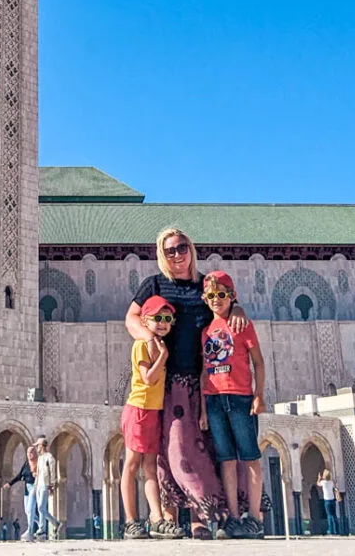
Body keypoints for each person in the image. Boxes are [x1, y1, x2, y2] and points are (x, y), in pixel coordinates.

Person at [126, 228, 248, 540]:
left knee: (202, 448)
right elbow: (132, 318)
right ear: (161, 254)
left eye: (182, 247)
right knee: (172, 449)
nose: (177, 254)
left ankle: (199, 519)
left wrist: (238, 309)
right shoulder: (154, 284)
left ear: (191, 249)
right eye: (170, 250)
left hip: (204, 379)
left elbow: (227, 304)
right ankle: (168, 518)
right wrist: (150, 337)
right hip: (167, 382)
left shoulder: (205, 285)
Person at [198, 271, 265, 540]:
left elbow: (258, 361)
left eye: (221, 294)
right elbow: (205, 371)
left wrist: (259, 394)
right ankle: (234, 518)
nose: (216, 300)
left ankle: (255, 518)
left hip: (240, 399)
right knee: (226, 459)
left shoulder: (243, 325)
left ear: (231, 296)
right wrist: (203, 408)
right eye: (211, 295)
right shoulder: (205, 332)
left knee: (249, 456)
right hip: (214, 400)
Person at [120, 294, 184, 540]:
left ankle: (156, 518)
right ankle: (130, 520)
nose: (163, 323)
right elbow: (148, 378)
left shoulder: (156, 344)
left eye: (167, 319)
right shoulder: (143, 344)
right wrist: (163, 357)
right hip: (138, 410)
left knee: (149, 466)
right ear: (144, 321)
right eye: (157, 318)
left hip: (153, 411)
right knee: (132, 464)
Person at [4, 445, 38, 542]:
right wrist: (10, 484)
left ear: (34, 453)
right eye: (27, 452)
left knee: (31, 510)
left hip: (34, 488)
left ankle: (30, 531)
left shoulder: (38, 463)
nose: (29, 454)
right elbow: (19, 476)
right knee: (28, 511)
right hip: (27, 489)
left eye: (31, 452)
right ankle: (42, 524)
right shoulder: (27, 464)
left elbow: (43, 475)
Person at [34, 436, 63, 540]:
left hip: (45, 485)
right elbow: (38, 473)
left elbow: (52, 473)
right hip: (38, 486)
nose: (36, 447)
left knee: (41, 507)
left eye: (37, 445)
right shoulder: (40, 458)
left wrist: (52, 486)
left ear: (42, 446)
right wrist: (35, 486)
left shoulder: (49, 458)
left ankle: (54, 524)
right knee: (40, 508)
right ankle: (42, 529)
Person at [317, 470, 339, 536]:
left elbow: (318, 483)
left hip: (327, 500)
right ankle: (337, 530)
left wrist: (319, 478)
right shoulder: (331, 482)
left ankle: (331, 530)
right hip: (333, 500)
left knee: (329, 516)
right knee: (334, 515)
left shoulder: (323, 482)